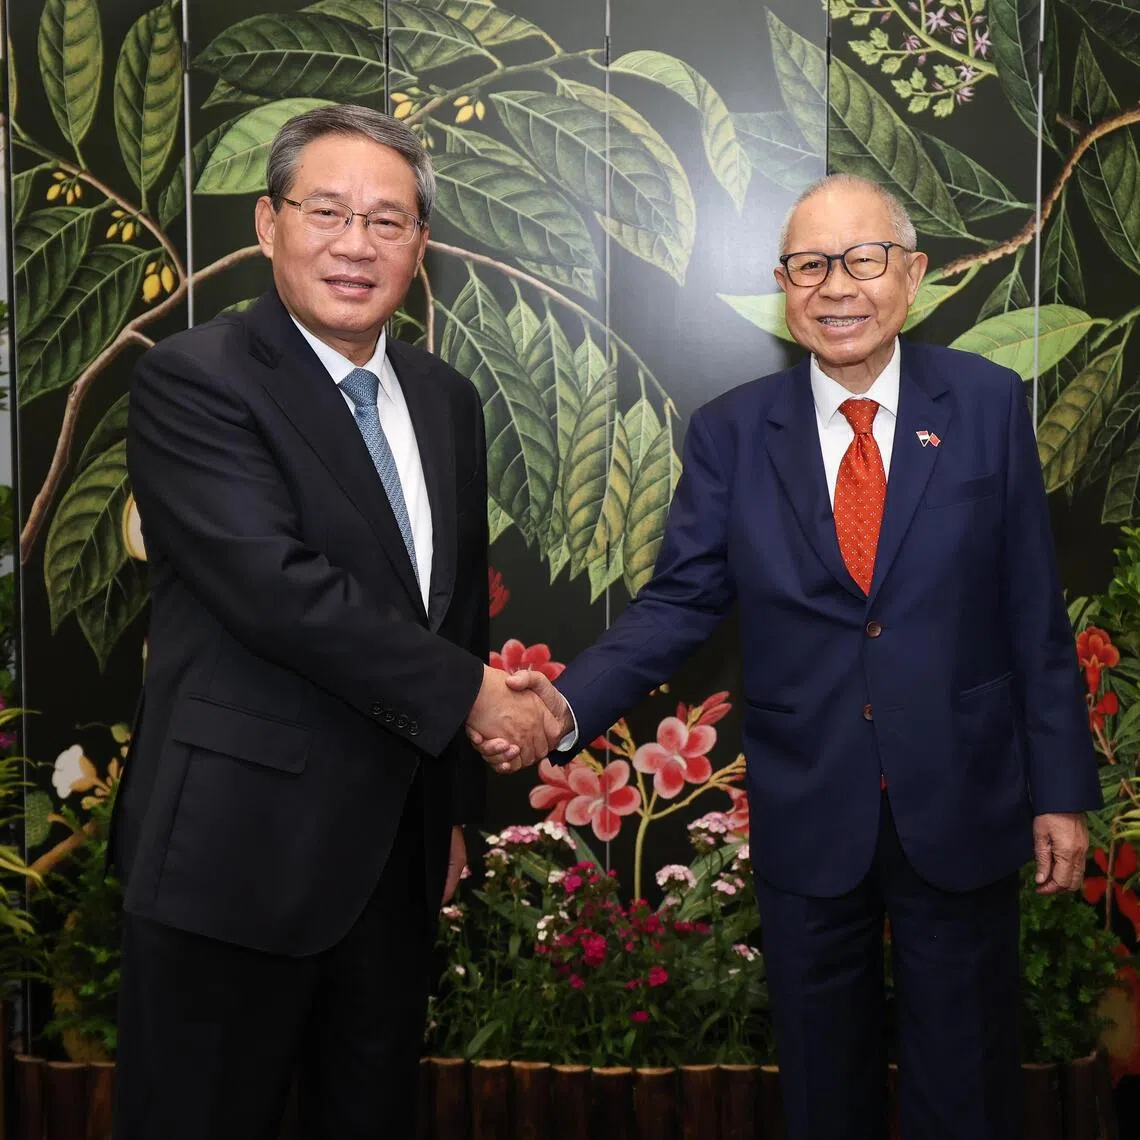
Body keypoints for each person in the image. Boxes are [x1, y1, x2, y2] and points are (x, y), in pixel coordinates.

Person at [473, 173, 1102, 1139]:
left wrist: (1059, 788)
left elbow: (1033, 614)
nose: (837, 287)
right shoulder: (731, 432)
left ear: (913, 274)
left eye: (863, 260)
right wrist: (562, 706)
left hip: (962, 793)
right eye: (811, 265)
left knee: (968, 1077)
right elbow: (682, 599)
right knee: (820, 1076)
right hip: (813, 802)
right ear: (782, 285)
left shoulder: (987, 404)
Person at [112, 104, 556, 1140]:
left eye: (388, 221)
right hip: (234, 859)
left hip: (391, 863)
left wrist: (447, 810)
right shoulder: (195, 379)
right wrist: (475, 699)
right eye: (327, 211)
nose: (356, 245)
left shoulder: (445, 398)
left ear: (422, 247)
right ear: (269, 226)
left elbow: (449, 616)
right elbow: (276, 587)